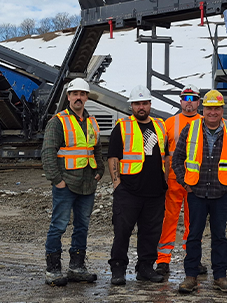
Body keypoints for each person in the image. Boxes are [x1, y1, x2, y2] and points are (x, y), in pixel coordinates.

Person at [173, 89, 227, 294]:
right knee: (193, 235)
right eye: (209, 108)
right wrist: (184, 182)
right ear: (203, 109)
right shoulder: (191, 129)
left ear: (222, 110)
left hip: (221, 193)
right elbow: (177, 158)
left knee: (219, 237)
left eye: (216, 108)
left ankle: (220, 277)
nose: (212, 112)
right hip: (195, 192)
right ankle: (190, 277)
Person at [42, 78, 103, 286]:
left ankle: (77, 267)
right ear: (68, 97)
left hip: (87, 183)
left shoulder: (92, 122)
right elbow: (48, 152)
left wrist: (99, 170)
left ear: (86, 97)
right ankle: (53, 269)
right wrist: (57, 180)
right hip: (66, 183)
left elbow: (96, 148)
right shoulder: (58, 121)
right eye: (75, 94)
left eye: (82, 94)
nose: (79, 97)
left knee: (82, 226)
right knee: (58, 225)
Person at [106, 85, 169, 286]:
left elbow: (164, 155)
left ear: (150, 104)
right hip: (129, 191)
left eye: (144, 103)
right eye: (137, 104)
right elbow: (113, 156)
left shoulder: (160, 126)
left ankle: (145, 268)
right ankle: (118, 269)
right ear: (131, 106)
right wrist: (117, 183)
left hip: (155, 191)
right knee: (123, 231)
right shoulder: (122, 126)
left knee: (151, 232)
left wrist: (165, 182)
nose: (141, 107)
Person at [155, 85, 206, 279]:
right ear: (181, 101)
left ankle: (193, 258)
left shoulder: (205, 122)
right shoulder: (169, 123)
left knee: (194, 221)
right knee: (169, 220)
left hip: (197, 181)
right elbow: (162, 153)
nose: (189, 102)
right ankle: (163, 260)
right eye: (186, 98)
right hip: (174, 180)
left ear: (198, 102)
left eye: (193, 98)